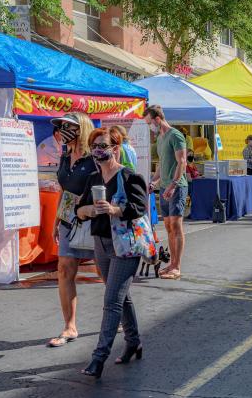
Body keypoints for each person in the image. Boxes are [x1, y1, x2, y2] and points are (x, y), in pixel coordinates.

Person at [74, 129, 148, 379]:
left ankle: (98, 358)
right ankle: (133, 342)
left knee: (112, 300)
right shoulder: (93, 178)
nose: (98, 150)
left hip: (125, 245)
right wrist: (89, 211)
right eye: (94, 145)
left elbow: (140, 207)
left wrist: (115, 209)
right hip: (101, 244)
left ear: (116, 149)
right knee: (120, 296)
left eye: (103, 145)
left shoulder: (129, 177)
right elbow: (79, 211)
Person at [49, 112, 97, 348]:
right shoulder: (65, 157)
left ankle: (121, 315)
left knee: (108, 273)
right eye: (60, 126)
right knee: (64, 270)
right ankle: (70, 326)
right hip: (69, 219)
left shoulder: (94, 157)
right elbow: (64, 190)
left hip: (95, 220)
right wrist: (57, 220)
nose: (61, 130)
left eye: (67, 126)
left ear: (81, 128)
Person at [144, 105, 187, 280]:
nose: (149, 127)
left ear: (157, 119)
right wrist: (154, 181)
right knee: (168, 226)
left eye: (149, 123)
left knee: (176, 225)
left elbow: (182, 162)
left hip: (177, 187)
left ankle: (177, 266)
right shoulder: (160, 139)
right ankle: (172, 263)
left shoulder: (175, 135)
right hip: (165, 187)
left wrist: (173, 185)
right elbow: (162, 165)